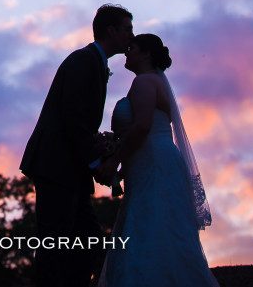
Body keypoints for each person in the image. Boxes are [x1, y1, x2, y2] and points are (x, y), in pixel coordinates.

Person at [20, 4, 135, 287]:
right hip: (57, 166)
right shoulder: (83, 61)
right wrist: (97, 163)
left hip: (70, 168)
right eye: (127, 29)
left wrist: (99, 145)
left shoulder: (94, 63)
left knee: (86, 241)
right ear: (112, 31)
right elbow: (73, 119)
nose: (132, 35)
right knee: (57, 244)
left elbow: (79, 121)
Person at [94, 33, 219, 287]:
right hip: (152, 160)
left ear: (146, 54)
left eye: (133, 49)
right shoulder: (152, 82)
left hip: (153, 161)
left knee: (151, 228)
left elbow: (141, 127)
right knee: (155, 226)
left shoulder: (144, 82)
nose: (127, 53)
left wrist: (114, 160)